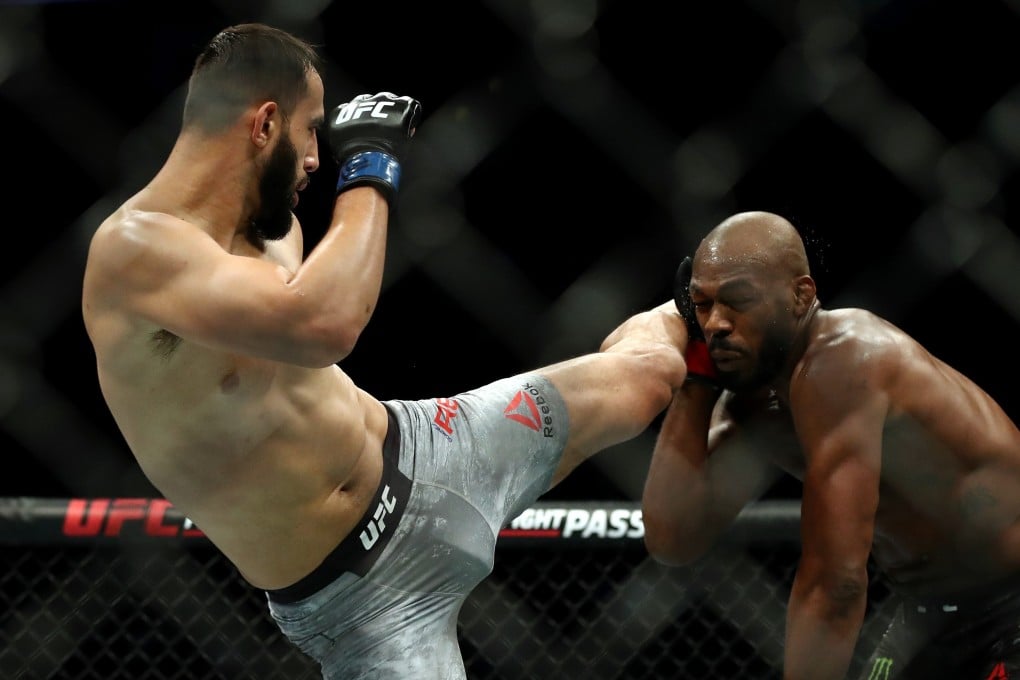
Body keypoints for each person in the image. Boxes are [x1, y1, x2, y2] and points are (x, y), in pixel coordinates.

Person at [81, 22, 691, 680]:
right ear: (264, 125)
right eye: (311, 128)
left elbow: (319, 298)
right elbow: (327, 325)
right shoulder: (134, 251)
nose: (318, 156)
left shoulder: (268, 225)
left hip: (435, 449)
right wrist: (371, 164)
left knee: (649, 375)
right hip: (365, 604)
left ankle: (723, 296)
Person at [641, 209, 1020, 679]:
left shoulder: (846, 356)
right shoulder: (752, 405)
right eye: (700, 304)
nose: (717, 322)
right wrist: (695, 374)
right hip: (925, 614)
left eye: (737, 299)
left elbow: (834, 582)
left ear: (801, 296)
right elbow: (673, 538)